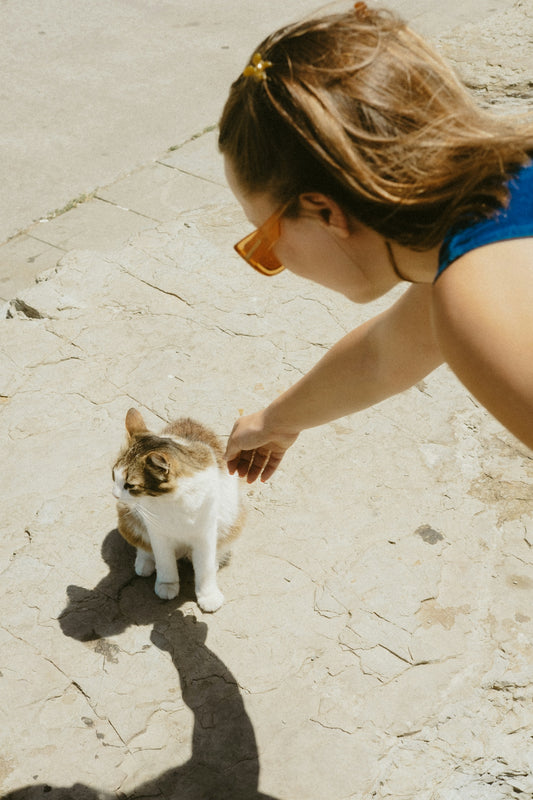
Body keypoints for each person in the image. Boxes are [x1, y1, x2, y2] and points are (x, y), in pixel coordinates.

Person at [218, 2, 533, 484]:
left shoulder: (474, 297)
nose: (273, 258)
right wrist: (274, 423)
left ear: (326, 211)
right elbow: (383, 357)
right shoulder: (493, 205)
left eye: (266, 240)